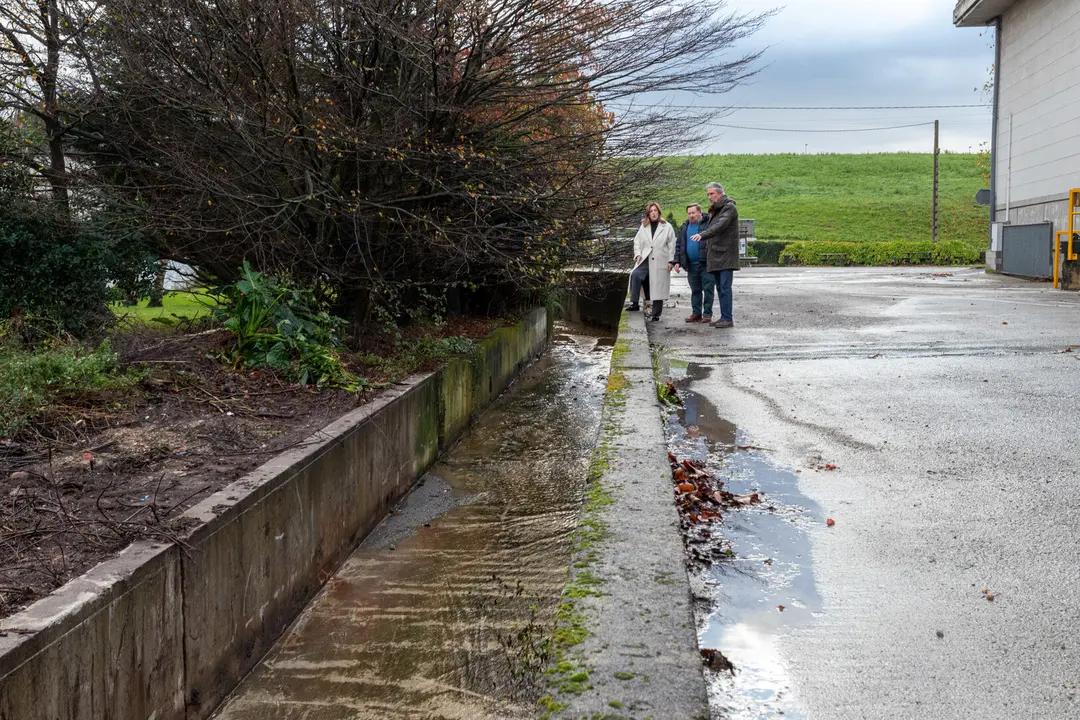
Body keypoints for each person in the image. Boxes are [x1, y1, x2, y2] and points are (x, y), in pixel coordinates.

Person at [692, 182, 738, 328]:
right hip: (717, 254)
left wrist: (702, 235)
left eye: (711, 194)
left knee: (725, 287)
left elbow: (719, 226)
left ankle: (727, 318)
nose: (709, 197)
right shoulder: (717, 209)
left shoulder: (729, 207)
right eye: (708, 194)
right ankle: (724, 316)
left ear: (720, 193)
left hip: (726, 255)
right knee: (720, 288)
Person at [627, 202, 676, 321]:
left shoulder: (667, 226)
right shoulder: (644, 226)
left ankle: (656, 314)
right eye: (651, 211)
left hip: (660, 260)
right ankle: (634, 303)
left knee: (658, 286)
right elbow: (637, 241)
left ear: (658, 212)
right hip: (645, 259)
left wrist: (671, 261)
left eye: (655, 210)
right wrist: (638, 254)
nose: (653, 213)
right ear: (648, 213)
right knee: (635, 275)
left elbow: (672, 245)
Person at [673, 203, 716, 323]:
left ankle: (707, 314)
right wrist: (677, 261)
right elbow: (679, 245)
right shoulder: (684, 227)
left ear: (699, 213)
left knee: (708, 289)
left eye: (693, 213)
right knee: (695, 290)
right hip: (691, 265)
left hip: (706, 264)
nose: (691, 215)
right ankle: (696, 313)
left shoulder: (708, 225)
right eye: (689, 213)